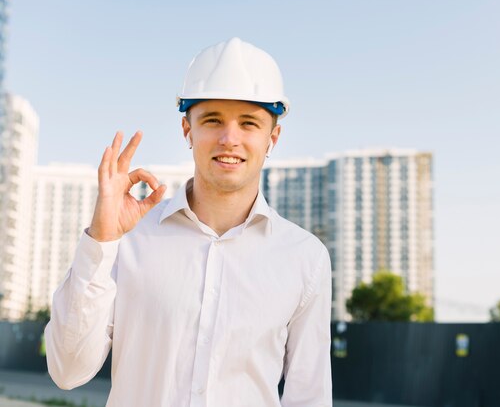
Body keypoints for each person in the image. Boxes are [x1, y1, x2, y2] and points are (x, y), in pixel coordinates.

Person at [45, 37, 332, 407]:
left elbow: (309, 396)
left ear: (272, 137)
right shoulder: (127, 239)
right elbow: (68, 371)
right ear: (187, 131)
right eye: (213, 120)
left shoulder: (304, 258)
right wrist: (101, 241)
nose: (230, 139)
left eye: (249, 123)